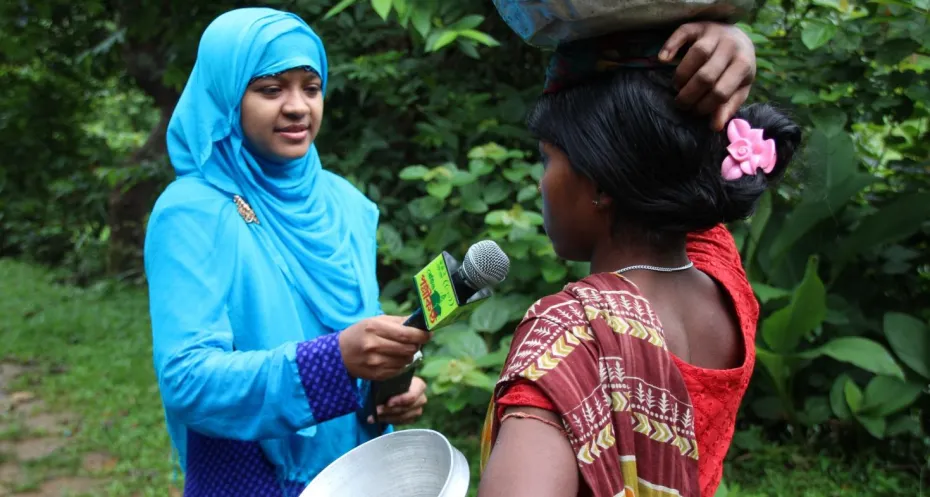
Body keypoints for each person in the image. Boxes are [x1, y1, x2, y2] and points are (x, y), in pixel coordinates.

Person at [477, 26, 801, 497]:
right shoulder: (723, 275)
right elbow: (679, 175)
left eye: (548, 159)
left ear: (603, 185)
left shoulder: (572, 337)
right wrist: (736, 43)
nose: (541, 183)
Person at [144, 8, 431, 496]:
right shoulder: (190, 212)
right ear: (228, 95)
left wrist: (391, 383)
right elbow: (188, 379)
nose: (298, 106)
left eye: (311, 87)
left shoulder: (345, 204)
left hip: (363, 469)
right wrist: (333, 362)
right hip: (255, 478)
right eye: (271, 89)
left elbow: (353, 327)